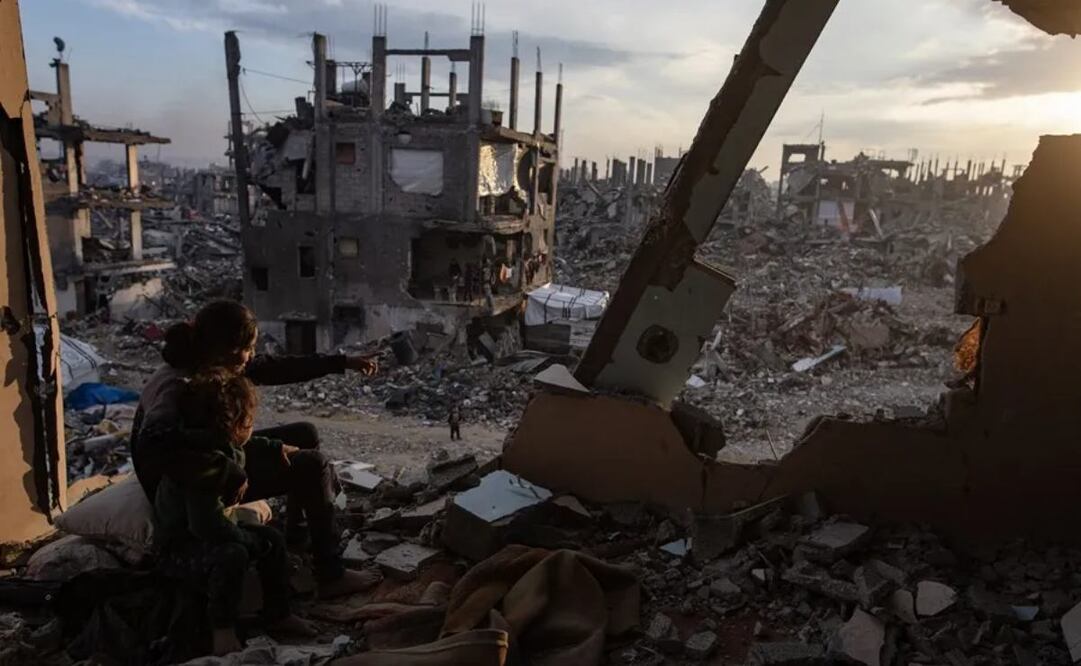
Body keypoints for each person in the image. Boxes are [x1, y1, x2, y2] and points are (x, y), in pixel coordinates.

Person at [132, 300, 379, 599]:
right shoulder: (178, 385)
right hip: (184, 482)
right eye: (247, 347)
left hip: (206, 454)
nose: (250, 357)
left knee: (304, 434)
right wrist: (227, 471)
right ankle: (330, 573)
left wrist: (341, 363)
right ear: (226, 348)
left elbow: (274, 368)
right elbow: (154, 446)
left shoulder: (212, 361)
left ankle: (298, 534)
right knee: (314, 465)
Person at [155, 370, 316, 656]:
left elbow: (246, 448)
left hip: (211, 530)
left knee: (272, 539)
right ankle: (222, 628)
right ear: (236, 425)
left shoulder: (218, 445)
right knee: (234, 554)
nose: (253, 427)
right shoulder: (201, 466)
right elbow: (205, 526)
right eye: (250, 422)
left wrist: (276, 448)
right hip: (180, 547)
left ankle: (278, 613)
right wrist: (246, 539)